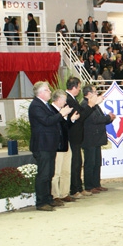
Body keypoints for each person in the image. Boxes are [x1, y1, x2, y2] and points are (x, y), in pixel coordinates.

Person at [28, 82, 73, 211]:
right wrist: (61, 114)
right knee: (43, 174)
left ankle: (48, 198)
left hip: (49, 144)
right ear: (41, 92)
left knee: (49, 173)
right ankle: (41, 202)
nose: (49, 92)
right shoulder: (36, 106)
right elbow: (47, 121)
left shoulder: (45, 105)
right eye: (47, 90)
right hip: (42, 145)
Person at [65, 77, 101, 198]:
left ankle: (78, 188)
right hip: (73, 136)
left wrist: (92, 105)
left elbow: (81, 114)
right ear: (74, 87)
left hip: (77, 136)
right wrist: (91, 105)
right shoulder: (68, 99)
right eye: (79, 87)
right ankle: (74, 190)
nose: (80, 90)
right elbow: (81, 117)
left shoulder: (73, 99)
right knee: (75, 164)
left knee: (78, 163)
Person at [81, 85, 115, 193]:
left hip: (96, 138)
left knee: (96, 162)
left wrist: (109, 118)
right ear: (89, 94)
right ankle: (89, 186)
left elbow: (100, 118)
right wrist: (108, 117)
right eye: (95, 92)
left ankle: (96, 184)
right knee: (90, 163)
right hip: (89, 139)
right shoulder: (85, 104)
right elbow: (94, 119)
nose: (97, 94)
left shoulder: (94, 105)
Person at [50, 89, 79, 203]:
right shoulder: (51, 110)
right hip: (57, 144)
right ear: (59, 99)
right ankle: (55, 195)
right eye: (64, 99)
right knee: (56, 171)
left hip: (66, 143)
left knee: (66, 170)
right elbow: (52, 126)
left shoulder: (63, 111)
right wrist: (63, 115)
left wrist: (71, 119)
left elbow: (65, 127)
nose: (66, 102)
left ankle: (64, 193)